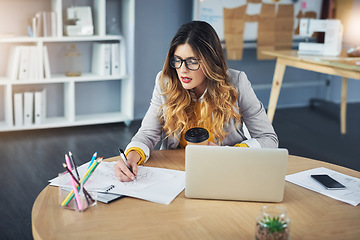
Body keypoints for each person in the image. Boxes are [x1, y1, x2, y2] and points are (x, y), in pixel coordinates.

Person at [114, 21, 278, 182]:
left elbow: (268, 138)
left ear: (210, 61)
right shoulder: (166, 82)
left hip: (224, 171)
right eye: (177, 60)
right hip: (177, 171)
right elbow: (148, 134)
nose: (182, 69)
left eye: (192, 61)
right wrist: (131, 157)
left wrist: (232, 153)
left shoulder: (237, 82)